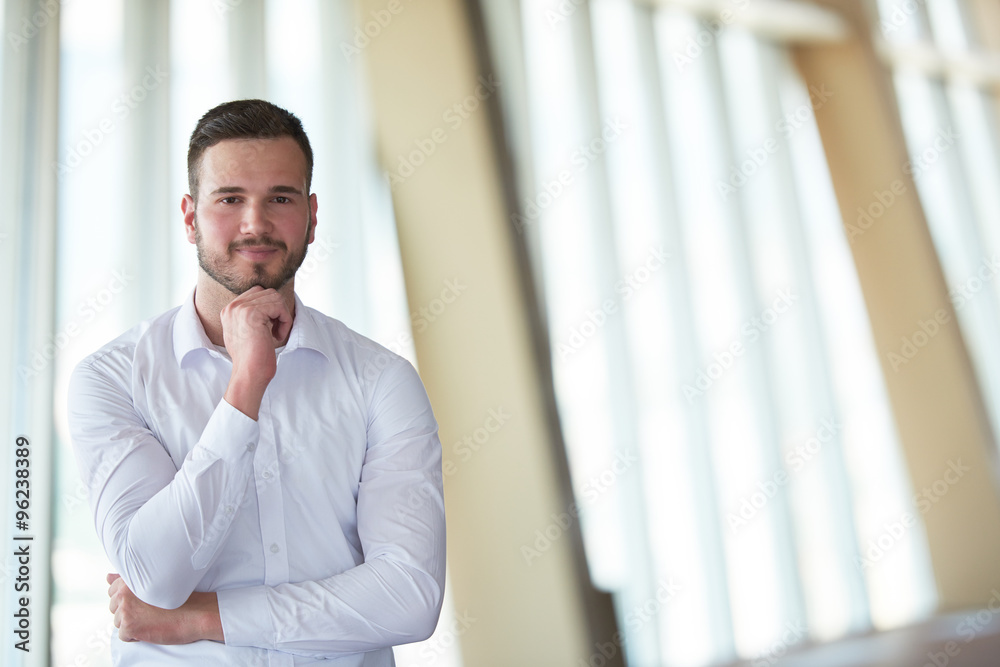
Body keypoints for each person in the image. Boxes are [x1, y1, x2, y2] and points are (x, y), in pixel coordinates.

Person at [67, 99, 446, 666]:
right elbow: (154, 577)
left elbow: (409, 597)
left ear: (311, 216)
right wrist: (245, 385)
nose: (256, 224)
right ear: (190, 217)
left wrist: (203, 618)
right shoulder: (112, 379)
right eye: (230, 199)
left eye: (281, 198)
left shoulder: (381, 381)